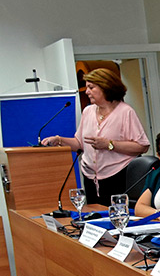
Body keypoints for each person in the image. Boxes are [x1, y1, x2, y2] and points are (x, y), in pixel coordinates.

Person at [41, 68, 150, 206]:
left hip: (118, 176)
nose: (86, 92)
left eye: (91, 87)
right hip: (91, 178)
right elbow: (79, 143)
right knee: (95, 218)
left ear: (106, 86)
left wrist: (109, 144)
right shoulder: (88, 111)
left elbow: (142, 146)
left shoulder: (125, 112)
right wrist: (59, 140)